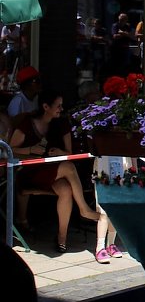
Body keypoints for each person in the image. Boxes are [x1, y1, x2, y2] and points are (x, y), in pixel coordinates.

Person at [9, 90, 103, 252]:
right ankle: (84, 209)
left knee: (65, 189)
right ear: (46, 107)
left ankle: (62, 237)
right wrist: (31, 149)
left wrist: (61, 153)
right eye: (58, 106)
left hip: (53, 171)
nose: (61, 108)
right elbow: (10, 150)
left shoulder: (61, 124)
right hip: (30, 172)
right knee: (68, 167)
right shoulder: (28, 123)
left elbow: (70, 154)